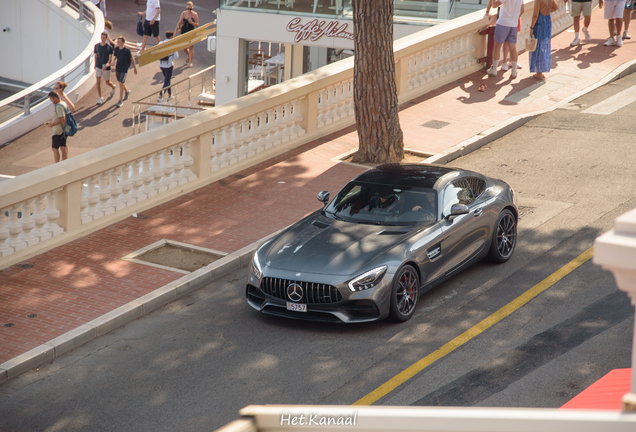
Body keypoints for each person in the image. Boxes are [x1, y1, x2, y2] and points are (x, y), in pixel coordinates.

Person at [486, 0, 525, 79]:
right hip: (513, 24)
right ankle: (514, 71)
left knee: (497, 46)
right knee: (513, 47)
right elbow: (522, 10)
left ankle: (494, 69)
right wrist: (515, 18)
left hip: (503, 23)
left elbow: (494, 5)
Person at [530, 0, 559, 80]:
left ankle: (539, 72)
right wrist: (547, 10)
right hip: (547, 21)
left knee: (538, 46)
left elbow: (535, 15)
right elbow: (556, 7)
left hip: (539, 23)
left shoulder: (538, 0)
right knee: (544, 45)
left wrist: (531, 27)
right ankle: (541, 70)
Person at [111, 36, 138, 108]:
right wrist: (113, 61)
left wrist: (135, 68)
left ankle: (120, 101)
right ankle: (127, 91)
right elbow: (115, 56)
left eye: (119, 41)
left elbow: (132, 59)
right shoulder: (116, 49)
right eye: (117, 41)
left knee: (120, 83)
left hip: (124, 68)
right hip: (118, 67)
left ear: (123, 42)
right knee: (121, 82)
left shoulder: (127, 50)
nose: (118, 43)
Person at [45, 92, 68, 163]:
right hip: (64, 129)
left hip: (58, 131)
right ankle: (65, 161)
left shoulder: (58, 106)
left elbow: (62, 118)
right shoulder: (64, 103)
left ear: (55, 98)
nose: (51, 101)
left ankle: (56, 164)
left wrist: (52, 124)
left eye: (51, 99)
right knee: (63, 146)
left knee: (54, 148)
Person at [174, 1, 199, 67]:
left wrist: (192, 23)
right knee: (184, 48)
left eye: (190, 9)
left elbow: (197, 24)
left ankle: (191, 61)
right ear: (186, 8)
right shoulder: (183, 13)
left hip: (191, 32)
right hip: (184, 32)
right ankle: (188, 55)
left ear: (192, 8)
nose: (189, 10)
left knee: (190, 48)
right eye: (188, 9)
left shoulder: (195, 14)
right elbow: (179, 22)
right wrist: (175, 31)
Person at [94, 32, 116, 105]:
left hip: (106, 67)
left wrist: (106, 65)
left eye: (104, 38)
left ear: (106, 38)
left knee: (107, 82)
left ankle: (113, 87)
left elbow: (110, 59)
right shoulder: (97, 46)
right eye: (101, 37)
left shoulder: (109, 47)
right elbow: (96, 56)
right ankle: (100, 97)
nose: (102, 39)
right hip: (98, 66)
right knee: (98, 82)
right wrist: (95, 64)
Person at [158, 31, 179, 102]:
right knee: (166, 81)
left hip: (161, 65)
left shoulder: (161, 43)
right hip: (169, 66)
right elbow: (176, 57)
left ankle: (170, 95)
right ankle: (160, 95)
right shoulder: (172, 44)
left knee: (167, 80)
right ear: (171, 37)